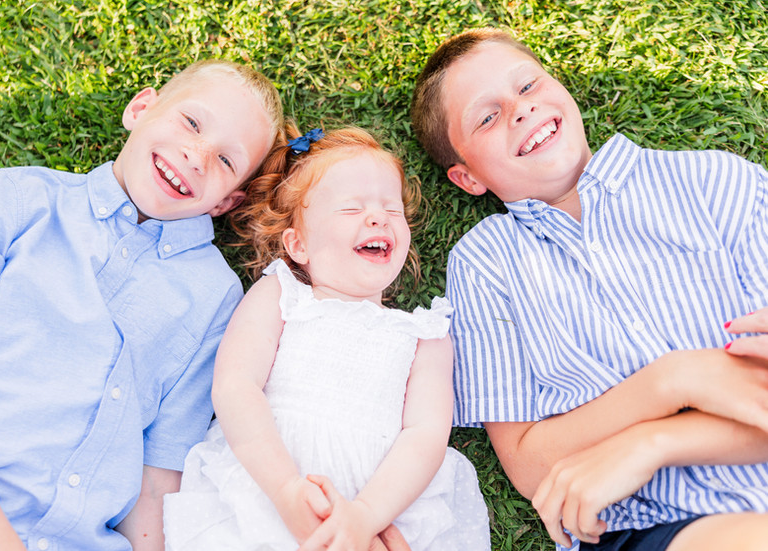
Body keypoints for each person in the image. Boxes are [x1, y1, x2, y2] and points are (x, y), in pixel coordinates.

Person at [410, 27, 768, 551]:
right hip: (648, 526)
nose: (520, 110)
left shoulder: (715, 182)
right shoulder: (485, 265)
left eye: (528, 86)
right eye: (487, 117)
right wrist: (673, 381)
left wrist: (656, 440)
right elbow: (531, 466)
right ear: (467, 178)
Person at [0, 58, 283, 551]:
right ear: (141, 108)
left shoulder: (217, 299)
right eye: (190, 122)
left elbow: (156, 482)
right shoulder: (14, 203)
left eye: (227, 161)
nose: (196, 155)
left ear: (225, 203)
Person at [162, 126, 490, 550]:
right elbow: (235, 386)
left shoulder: (424, 336)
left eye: (392, 209)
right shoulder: (281, 294)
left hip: (383, 499)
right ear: (298, 244)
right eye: (351, 209)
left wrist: (366, 517)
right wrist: (284, 489)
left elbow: (425, 436)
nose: (378, 218)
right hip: (267, 482)